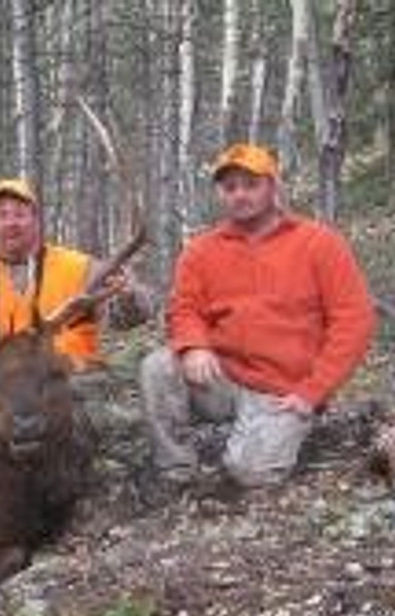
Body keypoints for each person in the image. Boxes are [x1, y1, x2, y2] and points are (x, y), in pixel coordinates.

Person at [139, 143, 376, 489]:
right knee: (158, 367)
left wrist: (314, 391)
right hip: (224, 377)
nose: (240, 195)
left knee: (249, 473)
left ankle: (275, 434)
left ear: (273, 187)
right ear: (220, 194)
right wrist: (192, 346)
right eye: (230, 187)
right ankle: (175, 471)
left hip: (284, 390)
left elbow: (354, 321)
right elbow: (184, 307)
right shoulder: (201, 250)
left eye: (251, 184)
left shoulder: (319, 243)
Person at [0, 177, 152, 391]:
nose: (11, 223)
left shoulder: (80, 268)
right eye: (2, 215)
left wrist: (128, 297)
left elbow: (130, 319)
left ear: (35, 219)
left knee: (107, 430)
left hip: (69, 384)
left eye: (20, 214)